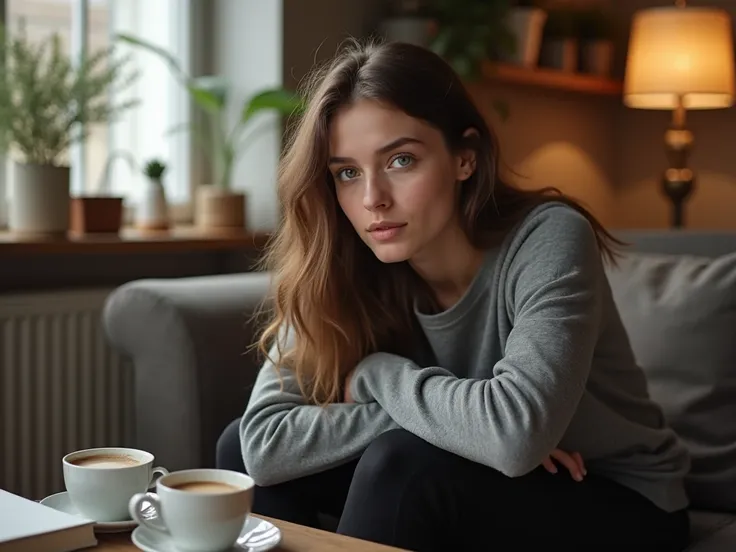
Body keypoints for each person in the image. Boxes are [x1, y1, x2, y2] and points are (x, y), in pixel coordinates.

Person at [215, 39, 691, 551]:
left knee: (403, 464)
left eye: (400, 160)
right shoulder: (345, 263)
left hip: (619, 496)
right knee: (239, 451)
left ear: (465, 158)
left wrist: (379, 374)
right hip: (495, 472)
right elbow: (262, 443)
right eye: (347, 172)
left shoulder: (548, 237)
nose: (373, 197)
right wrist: (469, 428)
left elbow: (512, 436)